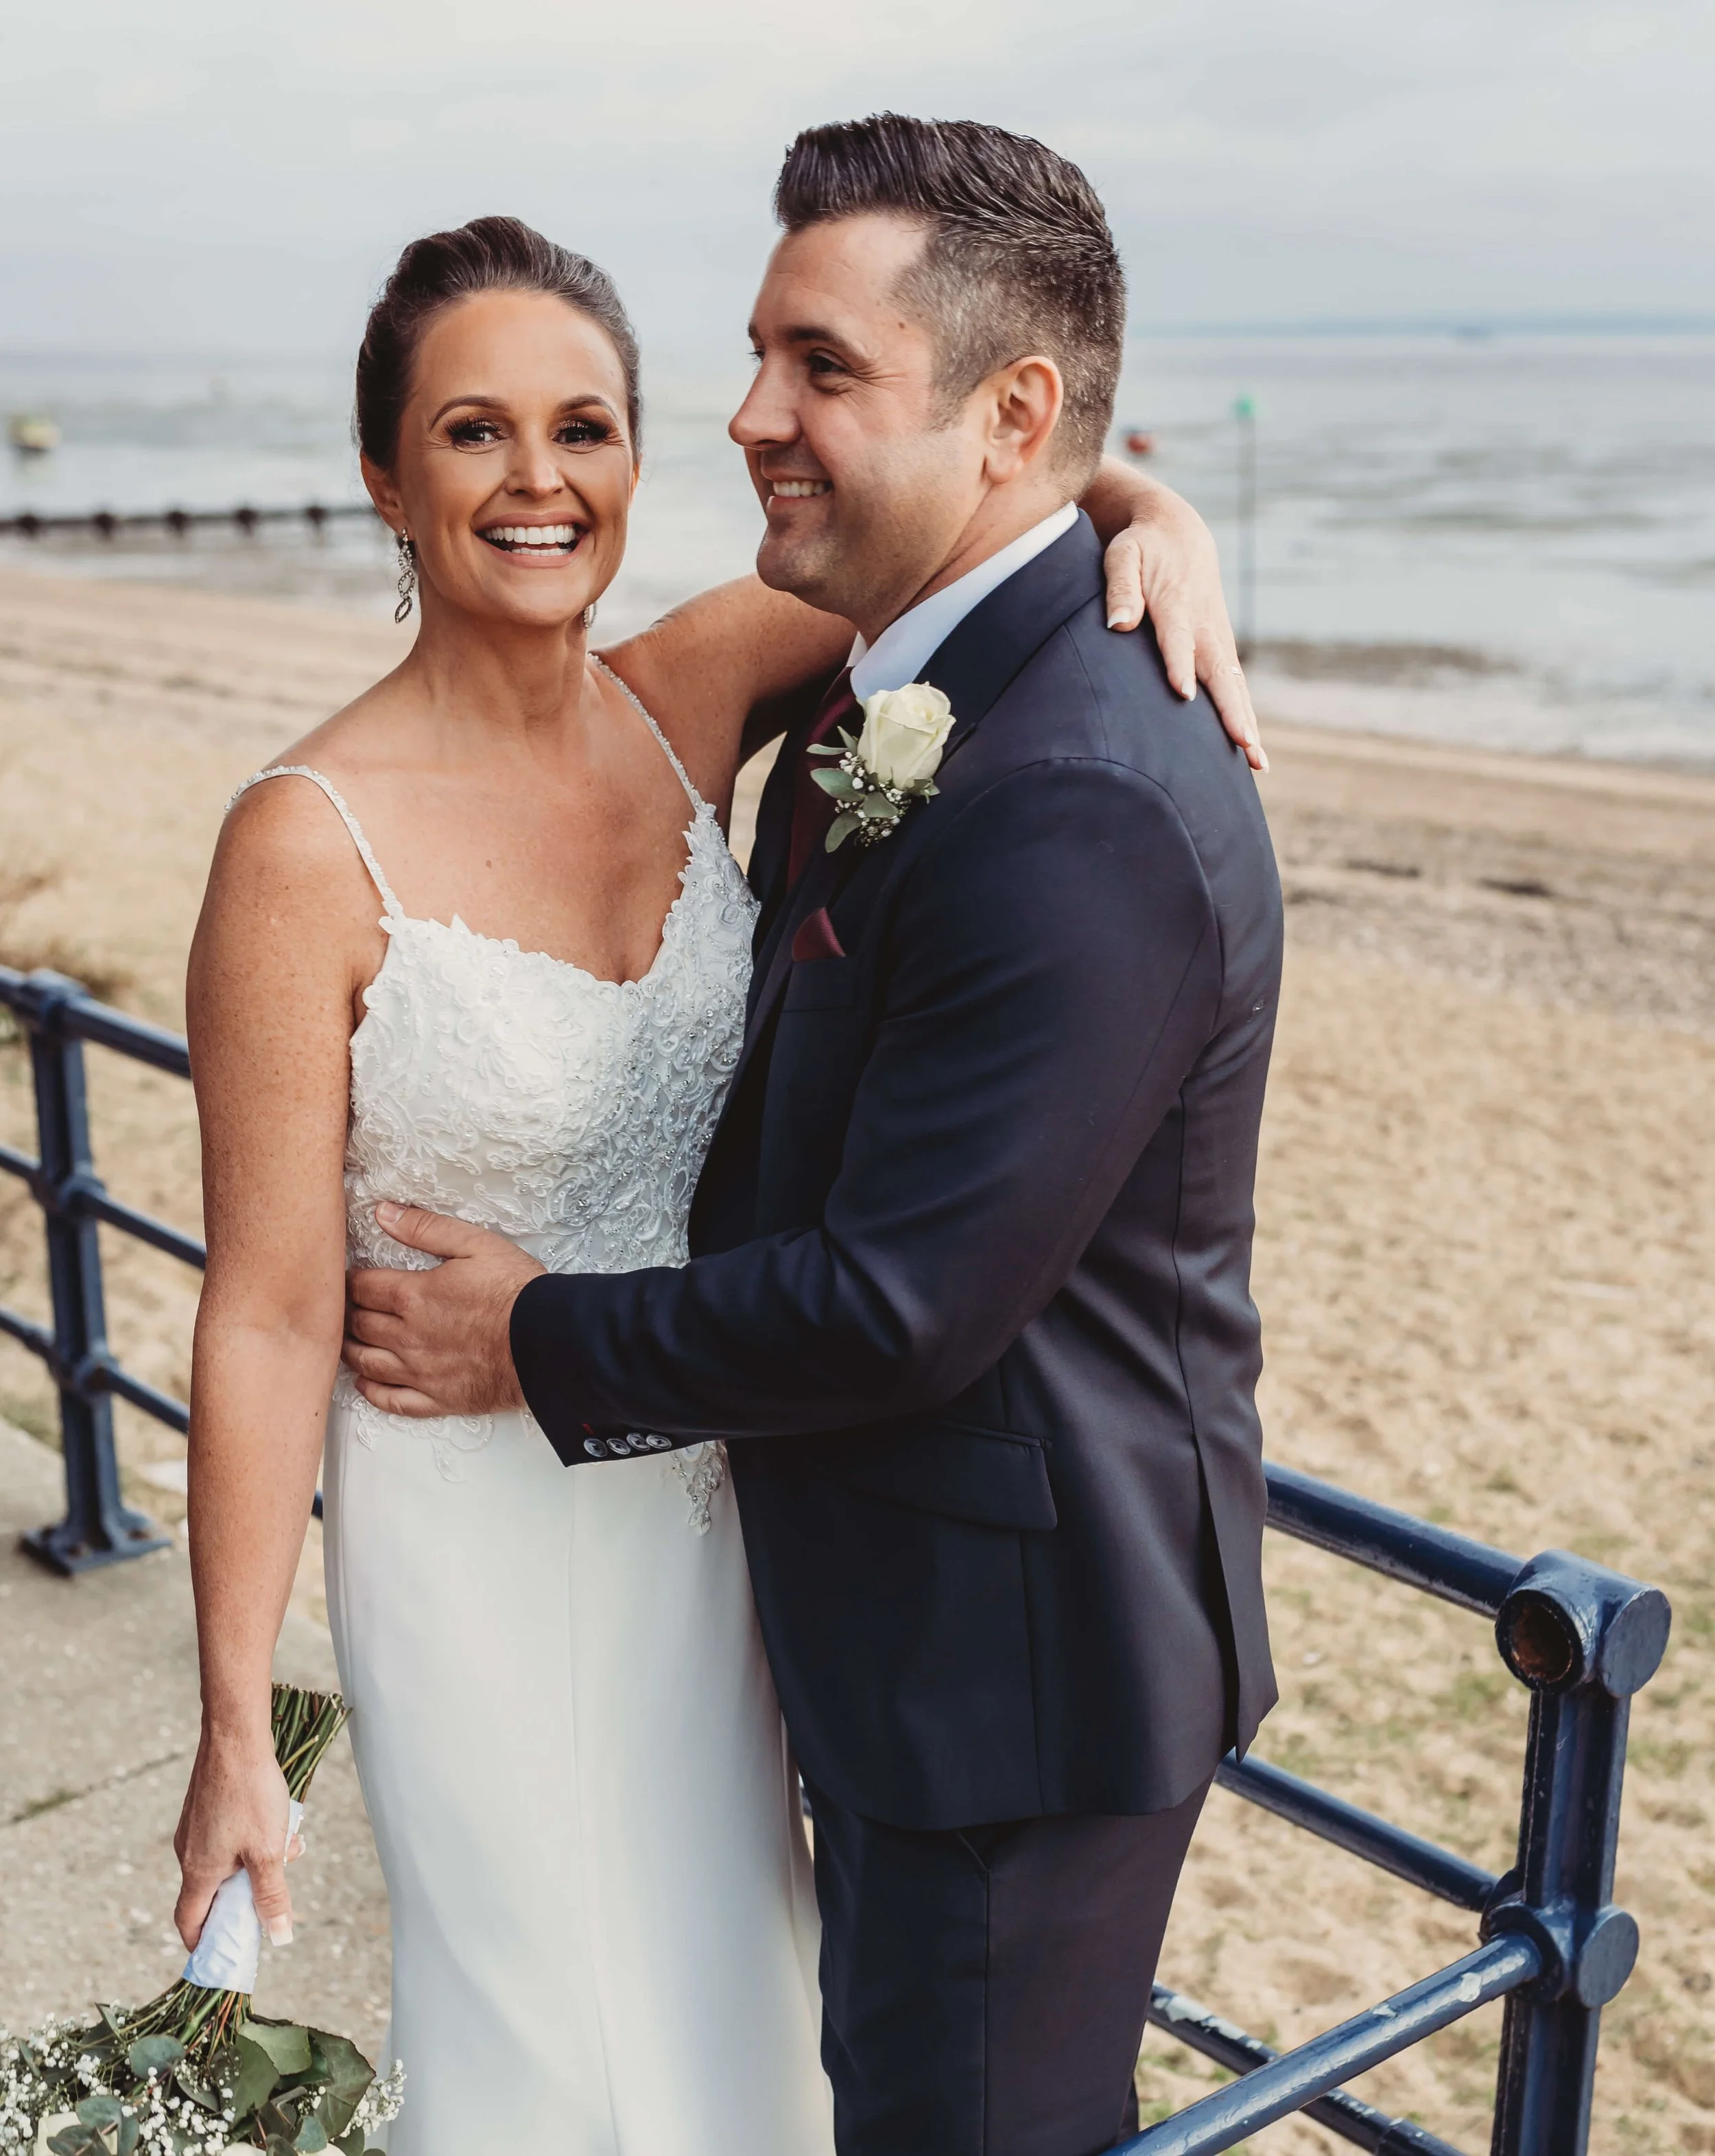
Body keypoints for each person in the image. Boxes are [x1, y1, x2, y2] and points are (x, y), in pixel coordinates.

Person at [173, 204, 1256, 2155]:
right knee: (537, 2043)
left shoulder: (687, 696)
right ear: (382, 477)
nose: (537, 481)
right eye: (473, 432)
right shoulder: (296, 844)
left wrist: (1160, 529)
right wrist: (239, 1725)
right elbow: (257, 1310)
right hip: (465, 1526)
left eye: (584, 428)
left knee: (737, 2023)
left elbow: (987, 506)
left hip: (715, 1516)